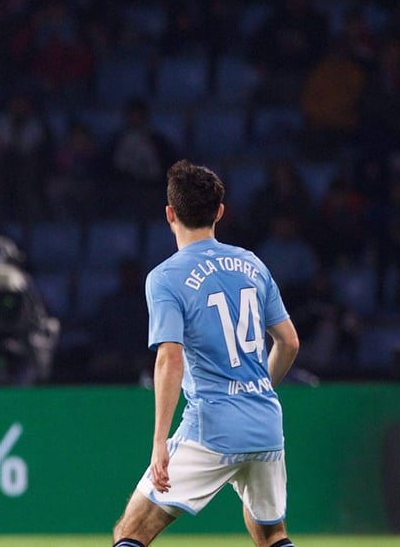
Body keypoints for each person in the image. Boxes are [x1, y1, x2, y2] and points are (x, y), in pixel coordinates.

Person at [113, 160, 301, 547]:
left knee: (131, 531)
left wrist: (159, 442)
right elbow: (289, 342)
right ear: (220, 212)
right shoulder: (252, 264)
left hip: (211, 427)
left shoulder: (166, 277)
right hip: (266, 423)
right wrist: (258, 390)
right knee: (271, 534)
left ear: (170, 214)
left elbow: (170, 358)